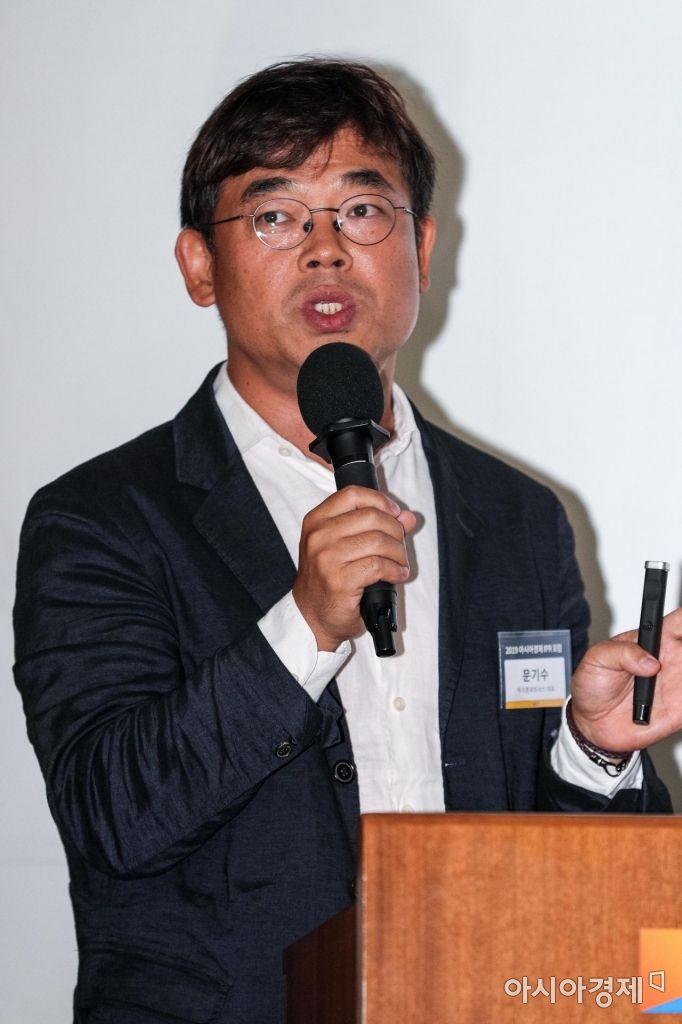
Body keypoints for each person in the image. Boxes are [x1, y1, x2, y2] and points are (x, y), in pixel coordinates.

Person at [13, 58, 681, 1024]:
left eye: (363, 212)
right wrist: (305, 625)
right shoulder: (103, 517)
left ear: (422, 247)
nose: (326, 251)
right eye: (275, 217)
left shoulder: (517, 517)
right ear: (199, 266)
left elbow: (570, 881)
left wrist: (591, 750)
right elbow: (112, 817)